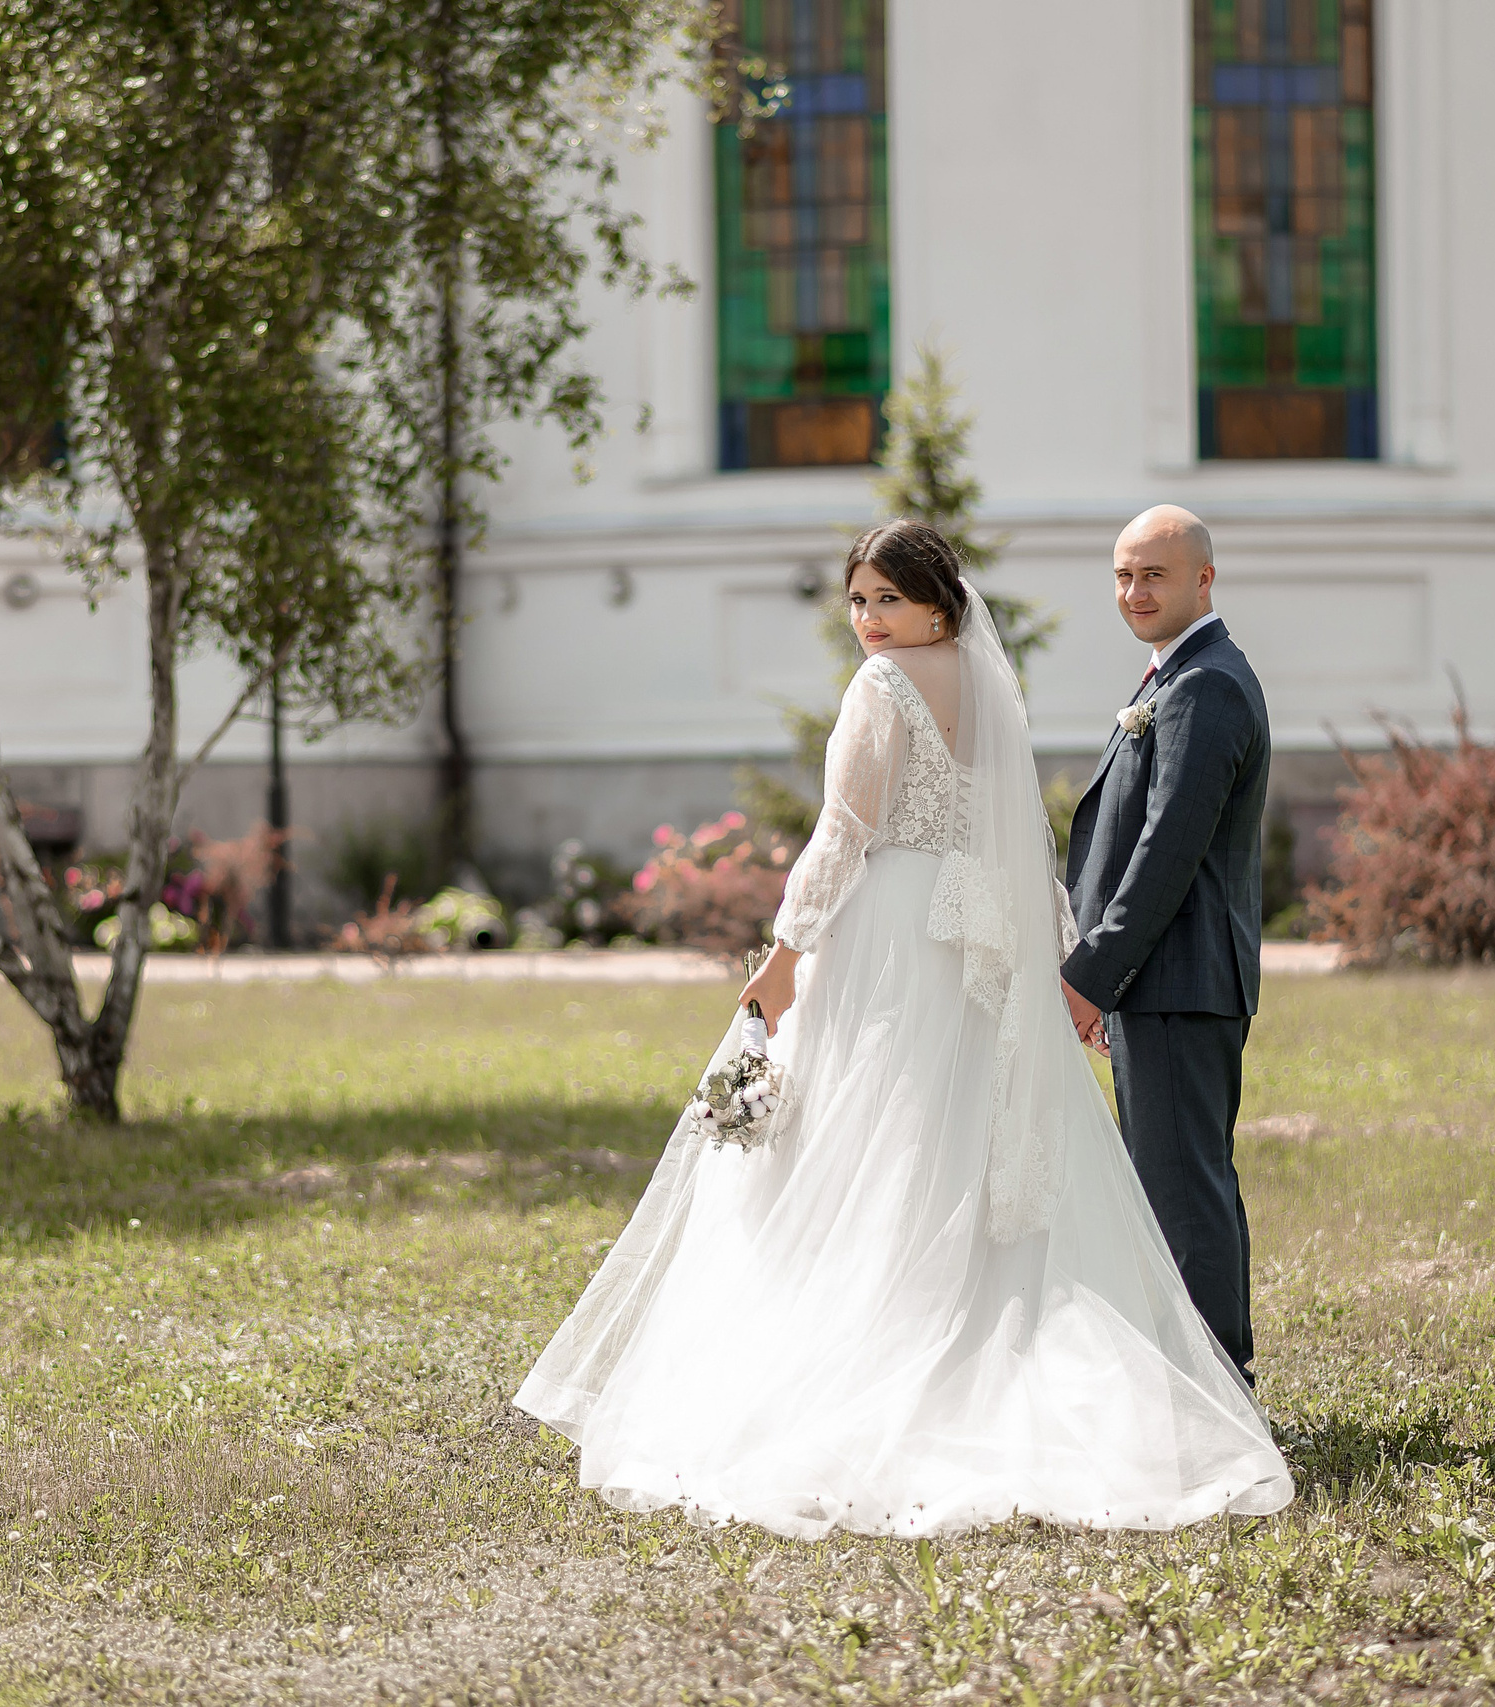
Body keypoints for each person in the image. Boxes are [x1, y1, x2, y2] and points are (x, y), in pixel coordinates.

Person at [514, 518, 1290, 1540]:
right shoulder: (986, 691)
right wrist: (1052, 956)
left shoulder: (881, 688)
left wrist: (787, 952)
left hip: (889, 933)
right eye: (856, 602)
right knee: (954, 1136)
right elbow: (1017, 840)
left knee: (868, 1137)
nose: (868, 620)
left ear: (938, 602)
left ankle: (875, 1349)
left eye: (887, 599)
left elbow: (847, 829)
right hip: (971, 939)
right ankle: (997, 1347)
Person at [1057, 505, 1270, 1390]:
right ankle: (1197, 1379)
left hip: (1179, 978)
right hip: (1163, 980)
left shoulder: (1206, 685)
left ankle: (1221, 1390)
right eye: (1121, 575)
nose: (1133, 591)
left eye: (1153, 574)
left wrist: (1093, 974)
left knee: (1185, 1196)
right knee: (1176, 1185)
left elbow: (1167, 853)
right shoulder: (1168, 679)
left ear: (1203, 581)